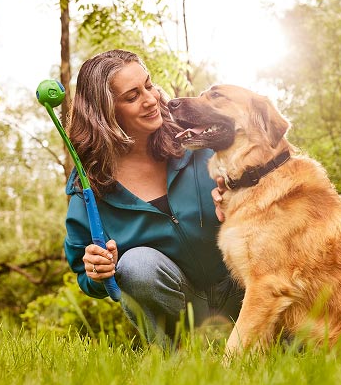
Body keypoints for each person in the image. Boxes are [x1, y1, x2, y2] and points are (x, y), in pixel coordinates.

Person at [63, 49, 242, 344]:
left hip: (241, 287)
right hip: (181, 312)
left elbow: (259, 166)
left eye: (148, 85)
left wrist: (239, 192)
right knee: (136, 266)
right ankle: (177, 358)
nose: (150, 100)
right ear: (106, 113)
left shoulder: (194, 136)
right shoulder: (89, 188)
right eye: (132, 97)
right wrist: (97, 272)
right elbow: (86, 274)